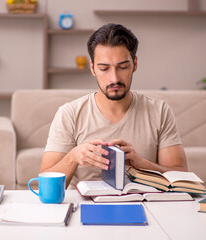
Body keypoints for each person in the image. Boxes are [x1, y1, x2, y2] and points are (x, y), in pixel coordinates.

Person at [40, 23, 187, 188]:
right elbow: (44, 185)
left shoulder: (159, 111)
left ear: (135, 64)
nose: (114, 78)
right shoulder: (70, 113)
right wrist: (73, 157)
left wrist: (142, 164)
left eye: (123, 67)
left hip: (145, 205)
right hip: (85, 208)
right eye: (104, 68)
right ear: (93, 68)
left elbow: (181, 177)